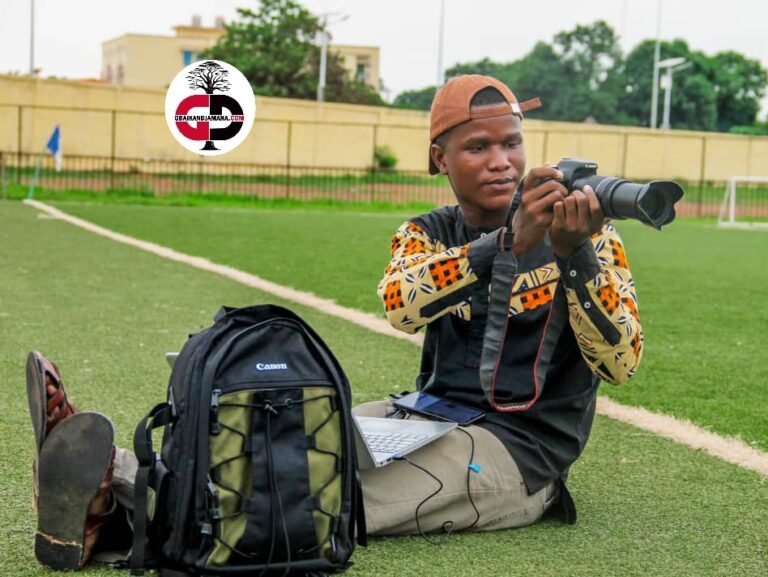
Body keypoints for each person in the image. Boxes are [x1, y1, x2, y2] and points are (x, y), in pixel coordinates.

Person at [25, 74, 643, 571]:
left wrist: (575, 255)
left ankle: (109, 495)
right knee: (284, 431)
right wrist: (503, 245)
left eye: (511, 143)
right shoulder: (426, 234)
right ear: (439, 158)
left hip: (518, 454)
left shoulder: (590, 233)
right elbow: (403, 304)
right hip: (423, 416)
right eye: (477, 147)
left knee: (318, 496)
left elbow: (621, 362)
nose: (500, 162)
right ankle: (109, 489)